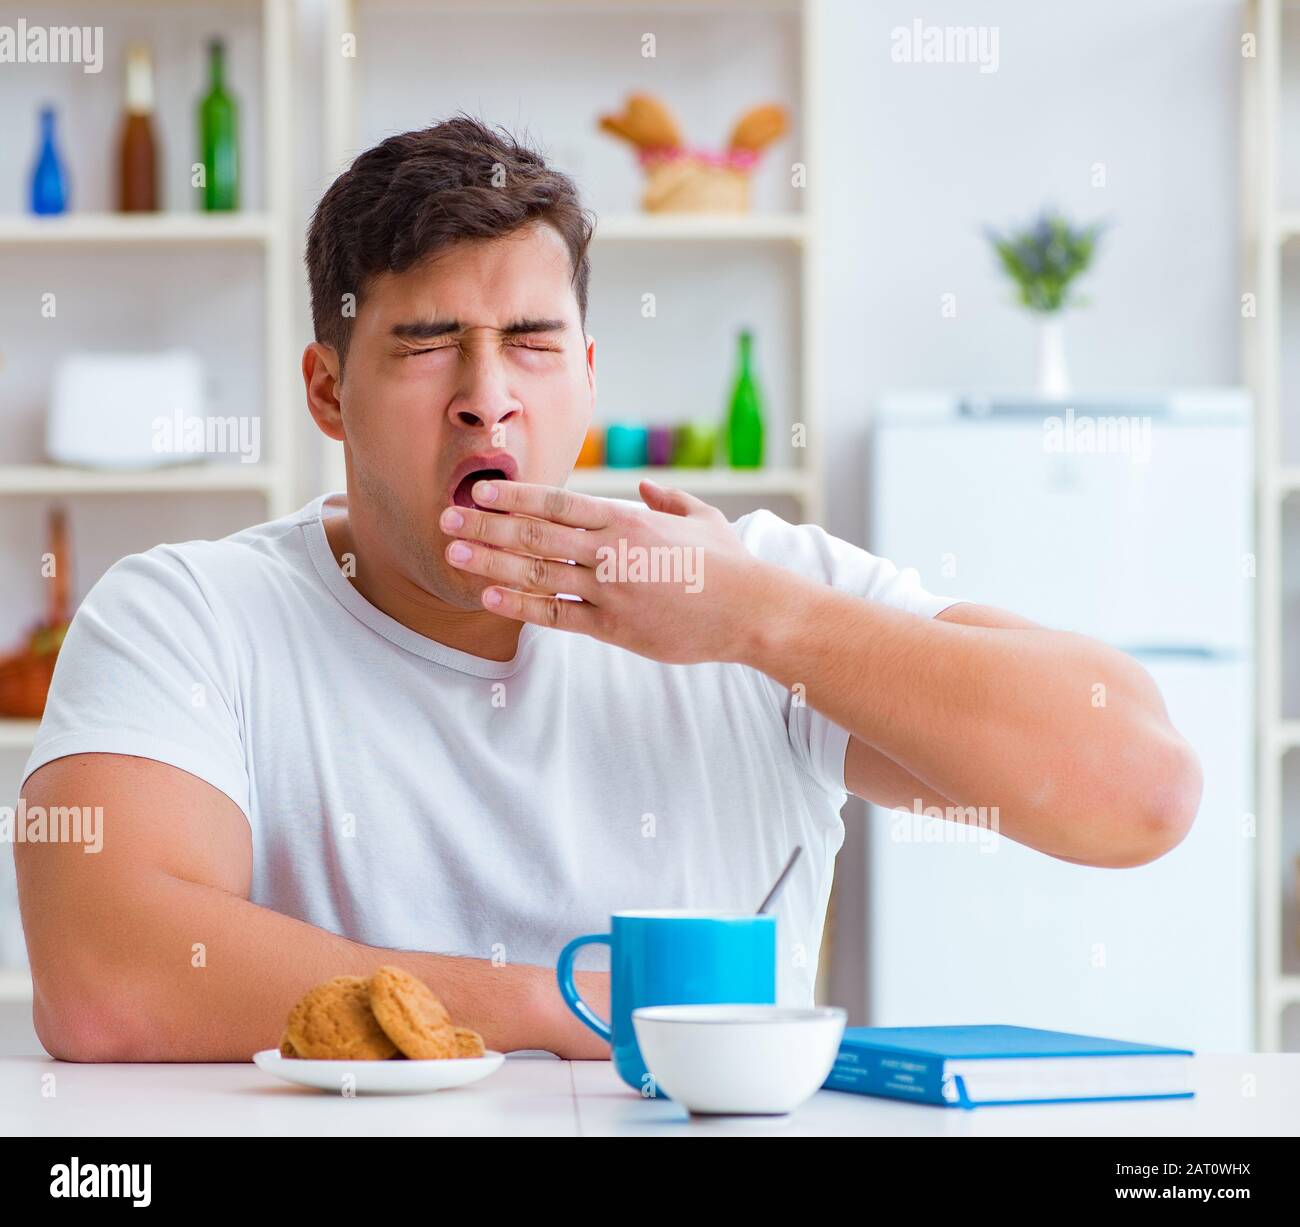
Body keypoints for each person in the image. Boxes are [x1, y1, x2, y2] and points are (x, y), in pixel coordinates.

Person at [15, 117, 1201, 1061]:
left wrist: (760, 622)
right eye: (427, 345)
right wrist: (565, 1007)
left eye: (532, 343)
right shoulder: (190, 615)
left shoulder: (758, 593)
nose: (488, 396)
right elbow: (109, 984)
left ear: (584, 377)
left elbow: (1141, 791)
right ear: (328, 392)